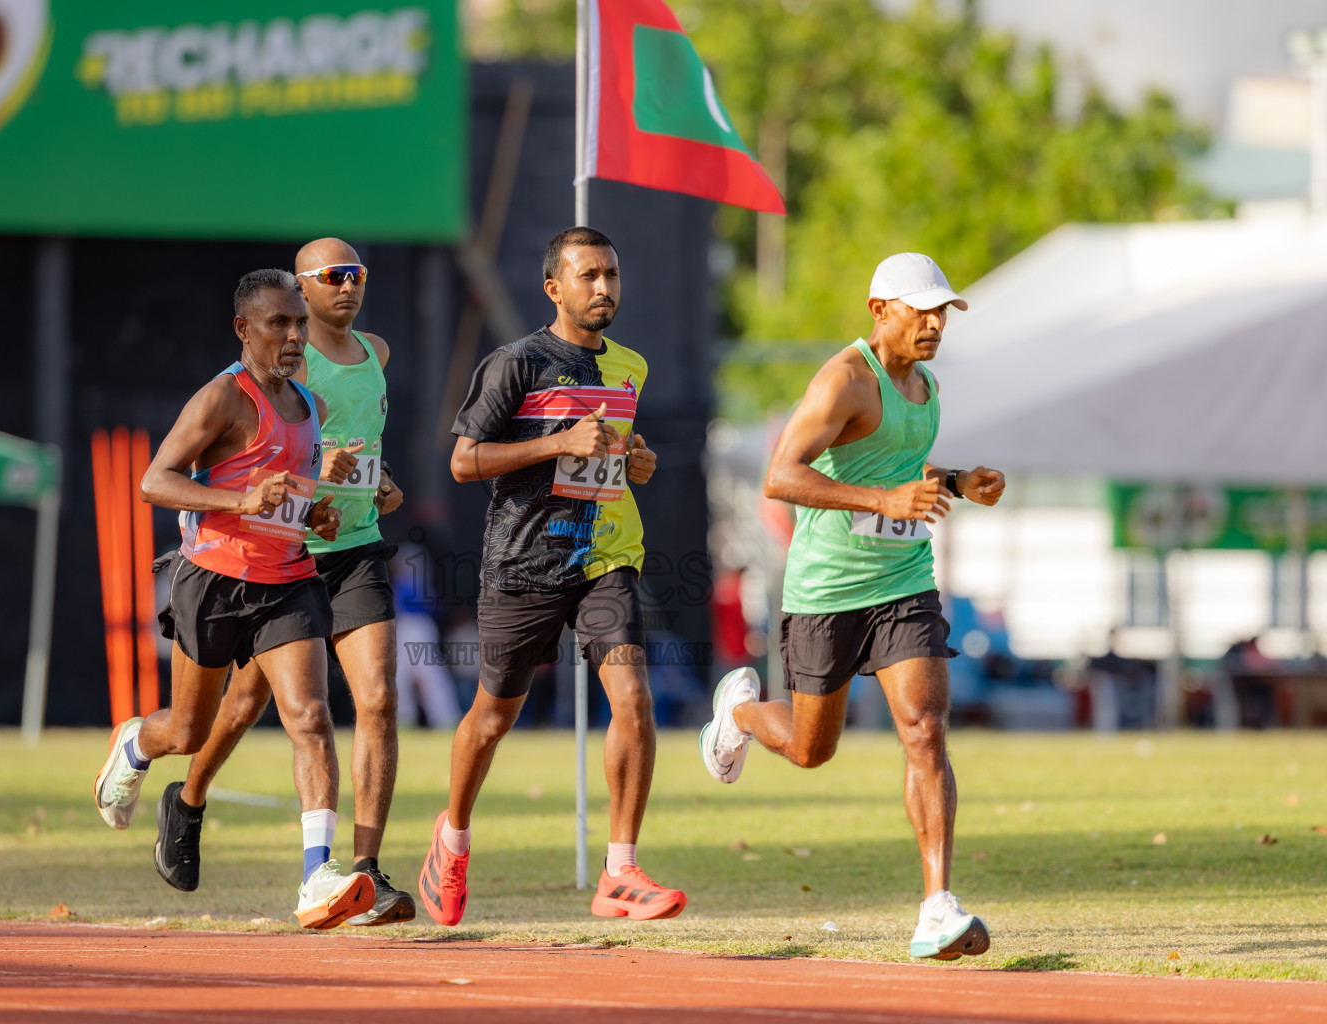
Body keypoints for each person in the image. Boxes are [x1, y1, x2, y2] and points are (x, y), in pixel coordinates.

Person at [699, 252, 1006, 960]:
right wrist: (881, 501)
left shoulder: (925, 384)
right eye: (920, 310)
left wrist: (959, 480)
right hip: (828, 593)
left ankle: (937, 906)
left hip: (903, 581)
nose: (934, 324)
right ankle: (740, 712)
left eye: (942, 312)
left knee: (925, 730)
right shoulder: (843, 378)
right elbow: (781, 475)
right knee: (813, 749)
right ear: (879, 311)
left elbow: (899, 470)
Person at [418, 226, 686, 926]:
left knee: (631, 697)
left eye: (612, 275)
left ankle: (620, 872)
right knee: (491, 717)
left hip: (605, 558)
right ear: (554, 287)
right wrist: (559, 442)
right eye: (589, 275)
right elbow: (464, 462)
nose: (604, 288)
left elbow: (618, 452)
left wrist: (635, 462)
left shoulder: (630, 365)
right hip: (523, 562)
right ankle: (452, 841)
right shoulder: (516, 363)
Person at [93, 268, 375, 930]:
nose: (294, 335)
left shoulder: (313, 406)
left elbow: (291, 497)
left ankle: (316, 876)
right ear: (243, 329)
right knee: (189, 732)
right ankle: (137, 744)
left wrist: (318, 518)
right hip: (214, 580)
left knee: (308, 715)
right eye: (278, 323)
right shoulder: (223, 398)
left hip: (288, 580)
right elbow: (153, 481)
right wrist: (237, 499)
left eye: (299, 323)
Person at [147, 240, 418, 927]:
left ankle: (359, 875)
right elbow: (228, 457)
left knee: (375, 700)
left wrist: (380, 484)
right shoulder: (276, 364)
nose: (348, 288)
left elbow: (363, 455)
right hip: (276, 553)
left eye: (357, 274)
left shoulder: (377, 353)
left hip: (350, 547)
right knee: (235, 710)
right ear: (298, 292)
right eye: (333, 277)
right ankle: (190, 798)